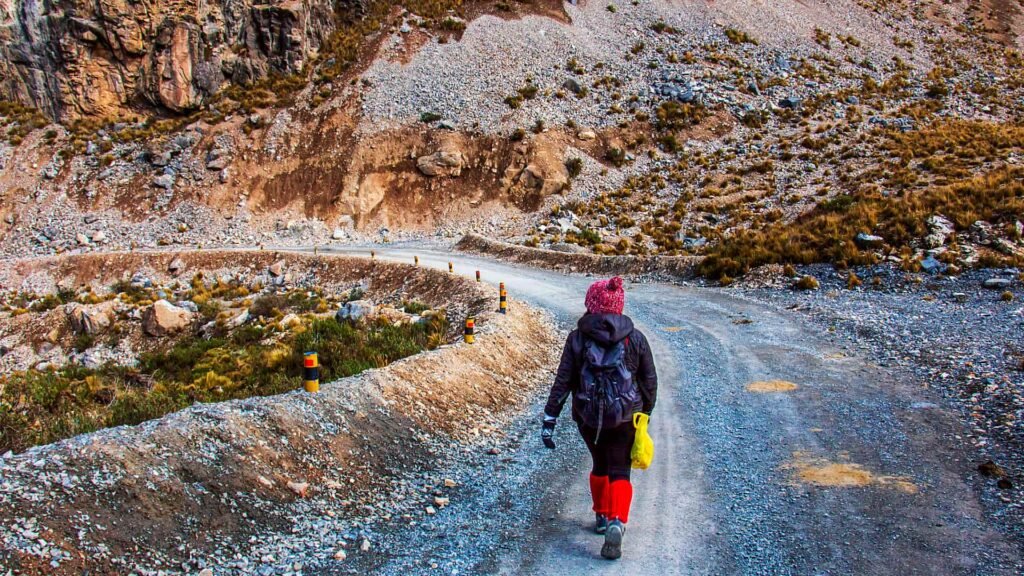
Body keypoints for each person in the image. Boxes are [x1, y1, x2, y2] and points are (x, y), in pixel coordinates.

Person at [540, 276, 658, 560]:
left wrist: (550, 417)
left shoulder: (577, 338)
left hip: (588, 418)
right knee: (621, 469)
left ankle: (602, 515)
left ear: (591, 303)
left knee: (600, 463)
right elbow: (649, 381)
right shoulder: (635, 338)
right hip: (626, 417)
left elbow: (564, 381)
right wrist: (645, 413)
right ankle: (617, 520)